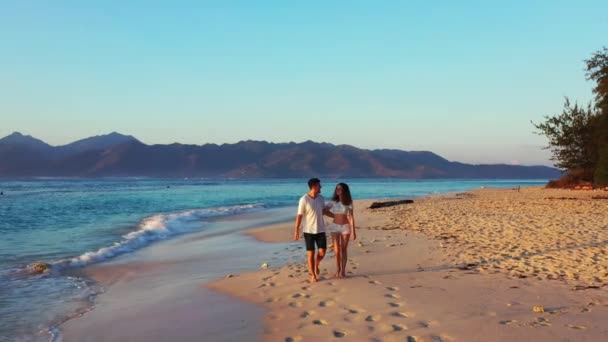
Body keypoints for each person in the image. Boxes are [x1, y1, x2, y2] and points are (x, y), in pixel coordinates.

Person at [294, 178, 332, 283]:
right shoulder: (304, 199)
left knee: (322, 252)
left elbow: (323, 211)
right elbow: (299, 216)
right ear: (314, 186)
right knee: (310, 253)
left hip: (320, 229)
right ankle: (313, 275)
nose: (321, 187)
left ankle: (316, 264)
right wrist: (296, 230)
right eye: (319, 185)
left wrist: (335, 216)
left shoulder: (321, 198)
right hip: (308, 231)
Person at [326, 183, 356, 278]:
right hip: (334, 226)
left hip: (345, 226)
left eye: (340, 189)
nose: (337, 190)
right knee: (336, 250)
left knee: (344, 249)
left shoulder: (349, 202)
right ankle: (337, 269)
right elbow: (324, 210)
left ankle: (343, 271)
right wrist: (334, 216)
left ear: (344, 190)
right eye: (336, 189)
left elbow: (351, 217)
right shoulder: (333, 201)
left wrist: (353, 231)